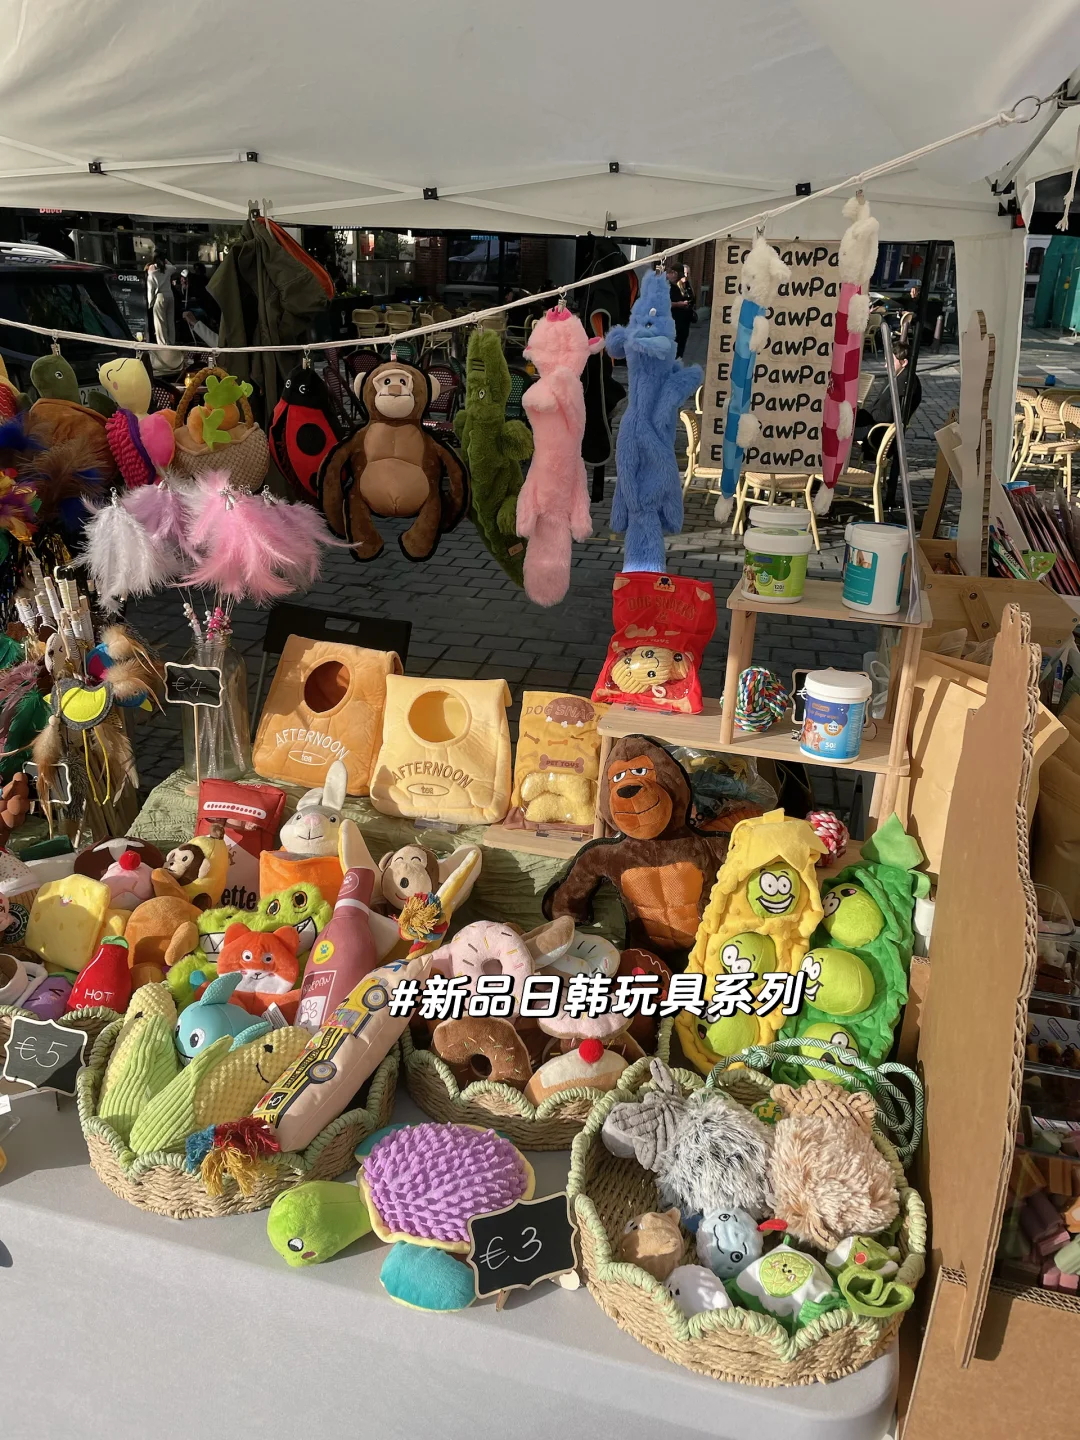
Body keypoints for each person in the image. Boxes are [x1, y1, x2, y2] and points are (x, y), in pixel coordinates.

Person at [146, 254, 177, 346]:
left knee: (160, 321)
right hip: (170, 295)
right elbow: (174, 268)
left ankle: (163, 343)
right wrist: (166, 260)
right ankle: (172, 341)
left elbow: (150, 290)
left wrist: (150, 303)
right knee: (170, 321)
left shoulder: (152, 274)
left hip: (160, 296)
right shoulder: (168, 269)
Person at [666, 262, 692, 358]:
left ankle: (678, 362)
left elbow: (690, 297)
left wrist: (688, 303)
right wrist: (678, 304)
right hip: (672, 322)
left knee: (680, 349)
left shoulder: (683, 285)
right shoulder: (666, 286)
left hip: (684, 323)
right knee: (671, 349)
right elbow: (663, 303)